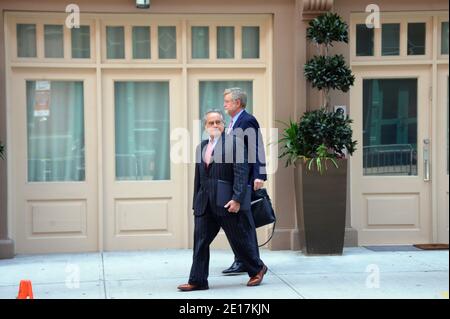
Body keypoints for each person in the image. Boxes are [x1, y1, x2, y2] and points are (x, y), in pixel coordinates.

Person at [177, 110, 267, 291]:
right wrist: (196, 202)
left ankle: (257, 268)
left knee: (239, 239)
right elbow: (198, 178)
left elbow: (241, 174)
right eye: (211, 123)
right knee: (200, 242)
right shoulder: (201, 147)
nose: (215, 125)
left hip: (227, 203)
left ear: (224, 125)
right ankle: (198, 280)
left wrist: (237, 199)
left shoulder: (235, 144)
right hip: (205, 204)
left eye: (218, 122)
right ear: (205, 127)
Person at [222, 88, 268, 275]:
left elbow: (258, 148)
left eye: (227, 101)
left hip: (246, 178)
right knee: (237, 222)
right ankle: (242, 260)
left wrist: (260, 175)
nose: (224, 104)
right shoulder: (232, 122)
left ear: (238, 103)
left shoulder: (247, 120)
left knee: (245, 223)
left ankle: (250, 262)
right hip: (234, 179)